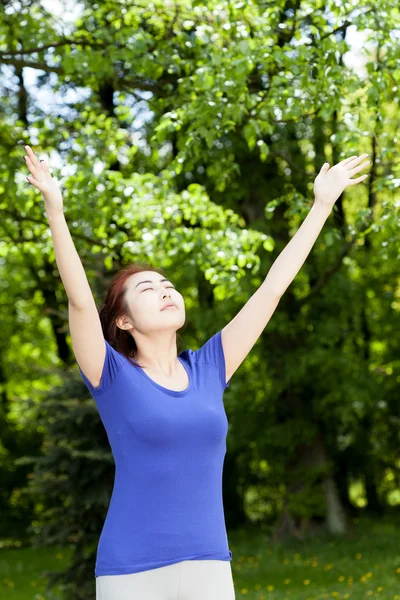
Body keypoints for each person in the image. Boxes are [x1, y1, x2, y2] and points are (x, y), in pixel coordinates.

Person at [23, 145, 369, 599]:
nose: (166, 291)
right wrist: (54, 207)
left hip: (209, 563)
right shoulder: (111, 374)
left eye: (168, 285)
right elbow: (80, 302)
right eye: (148, 289)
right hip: (132, 569)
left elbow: (272, 289)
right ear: (123, 321)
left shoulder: (210, 367)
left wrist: (322, 205)